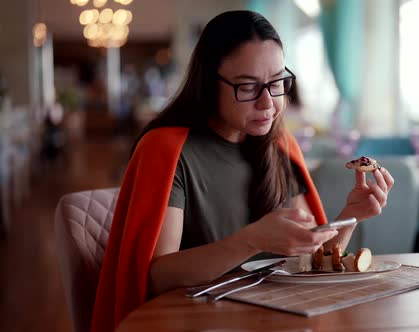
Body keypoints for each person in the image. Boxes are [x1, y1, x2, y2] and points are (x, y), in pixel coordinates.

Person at [91, 10, 394, 332]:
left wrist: (351, 214)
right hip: (194, 321)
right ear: (209, 83)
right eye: (248, 87)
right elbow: (155, 277)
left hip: (275, 319)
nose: (267, 103)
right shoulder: (166, 148)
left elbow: (312, 259)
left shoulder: (279, 145)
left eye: (277, 82)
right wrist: (249, 241)